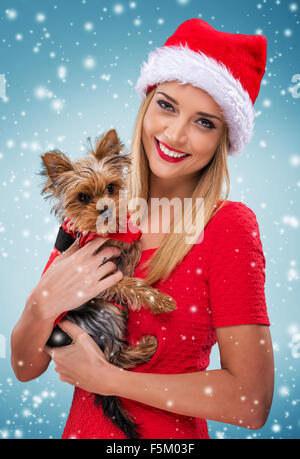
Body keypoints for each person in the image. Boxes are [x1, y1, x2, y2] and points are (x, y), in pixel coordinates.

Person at [11, 18, 274, 439]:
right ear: (146, 103)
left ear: (224, 140)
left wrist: (111, 380)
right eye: (167, 105)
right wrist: (40, 305)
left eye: (204, 122)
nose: (175, 133)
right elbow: (26, 368)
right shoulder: (96, 217)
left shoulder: (227, 226)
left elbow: (252, 402)